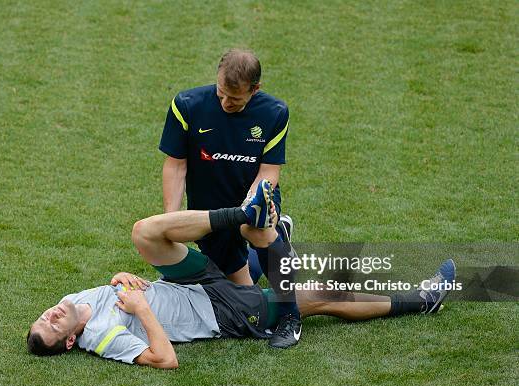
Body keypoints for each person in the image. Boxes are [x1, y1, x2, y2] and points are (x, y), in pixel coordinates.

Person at [26, 184, 457, 368]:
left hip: (188, 285)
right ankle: (422, 299)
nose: (48, 315)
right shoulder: (100, 336)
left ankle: (249, 222)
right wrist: (140, 307)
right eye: (51, 327)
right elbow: (165, 359)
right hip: (220, 312)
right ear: (69, 341)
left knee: (146, 232)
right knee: (322, 293)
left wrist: (123, 280)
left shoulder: (72, 300)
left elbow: (122, 292)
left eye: (42, 317)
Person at [159, 49, 302, 347]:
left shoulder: (274, 112)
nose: (225, 103)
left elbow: (269, 171)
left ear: (255, 89)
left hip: (254, 194)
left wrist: (250, 207)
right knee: (241, 295)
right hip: (210, 207)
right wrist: (170, 222)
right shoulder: (186, 105)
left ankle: (291, 316)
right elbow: (176, 165)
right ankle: (280, 240)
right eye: (221, 93)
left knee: (257, 228)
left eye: (235, 99)